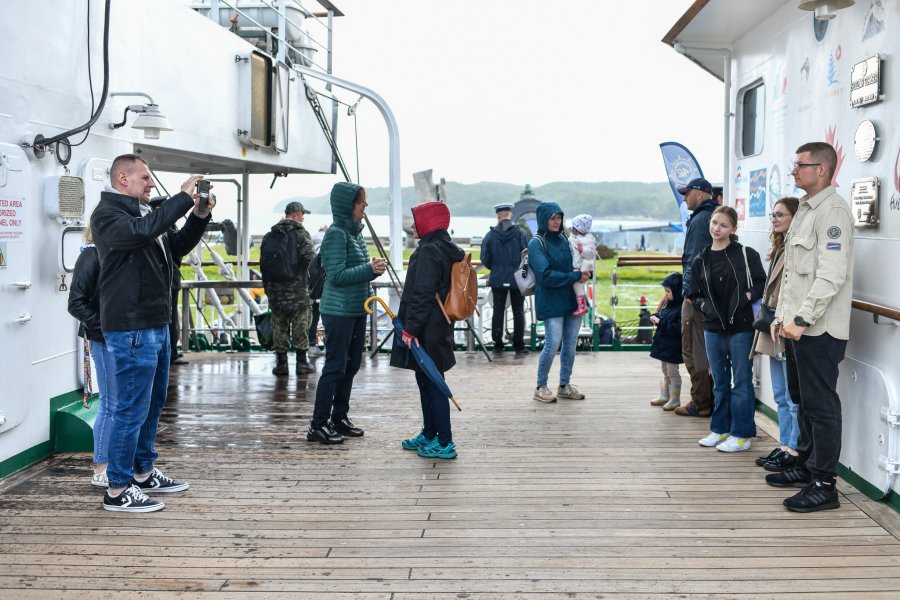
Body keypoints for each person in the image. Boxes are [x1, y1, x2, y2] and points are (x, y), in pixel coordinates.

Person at [91, 154, 212, 512]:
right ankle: (117, 489)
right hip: (131, 327)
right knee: (130, 409)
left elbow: (174, 248)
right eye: (144, 177)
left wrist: (199, 216)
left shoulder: (145, 214)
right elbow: (141, 234)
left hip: (156, 323)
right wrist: (181, 199)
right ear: (122, 178)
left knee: (152, 403)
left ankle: (142, 471)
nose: (151, 183)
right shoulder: (109, 216)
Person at [766, 142, 854, 513]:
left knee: (821, 408)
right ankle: (805, 465)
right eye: (794, 165)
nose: (794, 171)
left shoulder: (832, 212)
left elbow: (830, 276)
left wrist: (800, 319)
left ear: (822, 169)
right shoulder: (804, 210)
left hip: (819, 330)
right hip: (797, 328)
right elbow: (793, 277)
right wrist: (780, 318)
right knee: (802, 401)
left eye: (801, 165)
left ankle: (824, 484)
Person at [307, 183, 386, 444]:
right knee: (335, 366)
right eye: (360, 202)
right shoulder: (336, 234)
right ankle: (318, 424)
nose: (365, 206)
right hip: (338, 311)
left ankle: (339, 417)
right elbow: (337, 275)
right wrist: (369, 270)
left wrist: (370, 268)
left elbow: (354, 270)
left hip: (354, 310)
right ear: (347, 205)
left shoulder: (354, 234)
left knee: (350, 365)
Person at [688, 206, 766, 452]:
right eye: (714, 223)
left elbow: (762, 284)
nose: (716, 228)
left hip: (741, 327)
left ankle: (742, 434)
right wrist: (703, 305)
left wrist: (747, 295)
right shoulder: (701, 258)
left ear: (733, 229)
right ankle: (719, 429)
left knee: (741, 381)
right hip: (712, 327)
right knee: (719, 381)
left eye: (722, 225)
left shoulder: (746, 254)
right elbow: (692, 292)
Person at [394, 201, 465, 459]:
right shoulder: (445, 248)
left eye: (417, 219)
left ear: (430, 221)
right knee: (427, 380)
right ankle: (430, 432)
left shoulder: (428, 251)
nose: (413, 225)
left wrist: (410, 329)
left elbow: (422, 294)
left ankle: (444, 440)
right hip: (439, 325)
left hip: (426, 328)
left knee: (433, 382)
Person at [752, 197, 801, 471]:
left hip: (786, 327)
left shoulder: (797, 248)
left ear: (795, 217)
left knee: (793, 397)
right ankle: (784, 444)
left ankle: (793, 448)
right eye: (773, 214)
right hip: (772, 327)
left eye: (780, 214)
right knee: (781, 394)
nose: (774, 218)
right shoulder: (780, 247)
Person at [67, 224, 116, 489]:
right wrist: (102, 328)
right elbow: (76, 302)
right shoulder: (91, 255)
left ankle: (117, 463)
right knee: (110, 404)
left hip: (119, 337)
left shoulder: (114, 254)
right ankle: (101, 467)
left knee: (121, 404)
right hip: (104, 338)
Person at [529, 201, 590, 403]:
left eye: (559, 218)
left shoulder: (565, 239)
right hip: (550, 299)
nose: (556, 222)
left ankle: (564, 385)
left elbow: (575, 264)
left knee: (570, 345)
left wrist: (583, 270)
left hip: (570, 298)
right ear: (543, 219)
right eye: (552, 218)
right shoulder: (536, 243)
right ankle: (540, 386)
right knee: (553, 343)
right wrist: (574, 277)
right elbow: (544, 275)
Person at [674, 177, 717, 418]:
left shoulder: (701, 220)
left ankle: (700, 402)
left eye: (687, 193)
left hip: (696, 297)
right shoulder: (711, 216)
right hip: (708, 295)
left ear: (699, 194)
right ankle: (706, 399)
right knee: (704, 349)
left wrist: (689, 291)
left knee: (693, 349)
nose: (684, 198)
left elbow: (694, 257)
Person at [264, 202, 316, 376]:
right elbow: (311, 260)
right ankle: (302, 363)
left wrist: (268, 290)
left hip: (275, 292)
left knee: (279, 326)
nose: (303, 218)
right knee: (301, 325)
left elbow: (264, 266)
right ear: (295, 215)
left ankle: (281, 364)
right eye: (302, 214)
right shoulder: (301, 234)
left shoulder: (270, 235)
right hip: (298, 291)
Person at [480, 203, 528, 356]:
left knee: (498, 310)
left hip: (498, 277)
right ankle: (519, 345)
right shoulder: (520, 233)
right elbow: (526, 255)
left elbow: (484, 258)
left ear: (498, 216)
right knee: (518, 311)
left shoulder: (490, 235)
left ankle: (497, 344)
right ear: (510, 215)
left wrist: (495, 268)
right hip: (517, 278)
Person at [149, 196, 188, 366]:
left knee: (168, 318)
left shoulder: (155, 227)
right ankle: (170, 352)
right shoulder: (169, 228)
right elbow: (178, 254)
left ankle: (169, 351)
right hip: (171, 280)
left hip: (167, 281)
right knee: (169, 318)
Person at [648, 272, 683, 411]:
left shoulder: (681, 308)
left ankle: (675, 399)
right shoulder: (668, 303)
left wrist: (660, 322)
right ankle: (665, 395)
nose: (666, 294)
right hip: (664, 345)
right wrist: (656, 316)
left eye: (668, 291)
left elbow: (677, 329)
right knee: (665, 371)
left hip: (673, 347)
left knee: (672, 372)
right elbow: (663, 316)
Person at [568, 214, 596, 317]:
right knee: (578, 286)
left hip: (579, 267)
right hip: (578, 265)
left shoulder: (585, 239)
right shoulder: (579, 237)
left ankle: (582, 306)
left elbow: (591, 253)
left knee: (577, 285)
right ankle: (582, 305)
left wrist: (582, 251)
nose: (572, 229)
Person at [307, 225, 328, 358]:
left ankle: (311, 345)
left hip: (312, 290)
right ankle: (328, 345)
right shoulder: (327, 245)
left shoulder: (310, 245)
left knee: (313, 320)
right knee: (328, 319)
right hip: (326, 290)